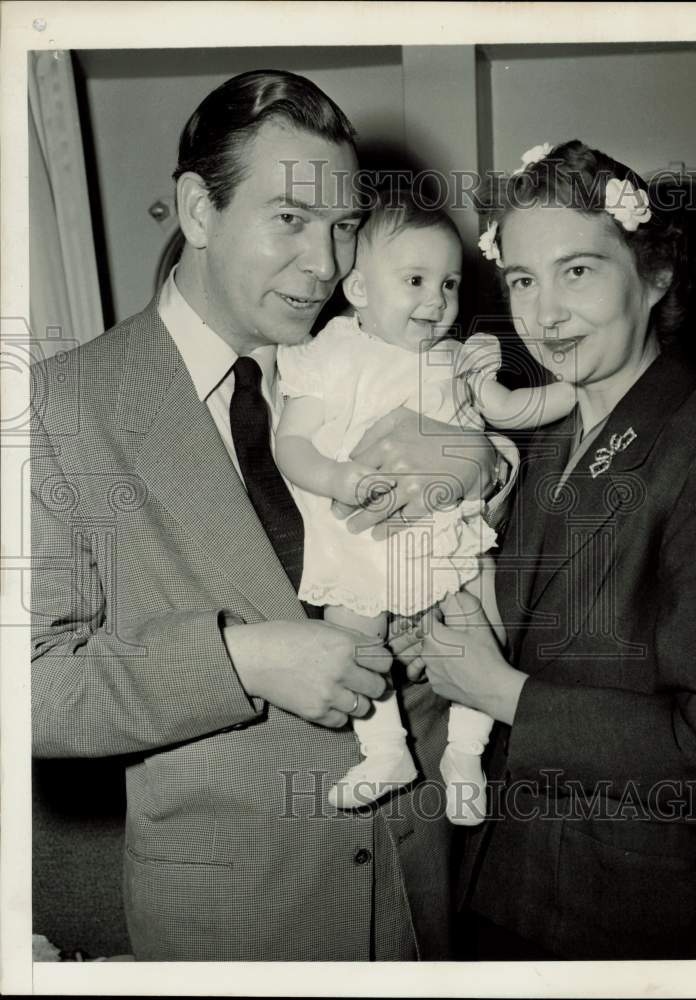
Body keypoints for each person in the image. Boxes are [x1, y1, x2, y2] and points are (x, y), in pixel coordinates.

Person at [29, 70, 508, 961]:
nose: (325, 264)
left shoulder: (367, 345)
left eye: (341, 227)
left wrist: (484, 463)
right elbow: (31, 688)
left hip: (426, 882)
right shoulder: (61, 406)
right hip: (241, 916)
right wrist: (239, 658)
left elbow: (483, 451)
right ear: (199, 212)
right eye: (290, 218)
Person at [395, 140, 696, 960]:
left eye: (578, 272)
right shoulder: (543, 434)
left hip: (621, 911)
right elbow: (529, 619)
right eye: (522, 280)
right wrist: (449, 643)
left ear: (654, 277)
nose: (544, 314)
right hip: (497, 874)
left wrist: (504, 691)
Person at [274, 193, 575, 821]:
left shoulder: (457, 357)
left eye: (449, 283)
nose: (436, 301)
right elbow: (291, 444)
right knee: (351, 633)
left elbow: (511, 415)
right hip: (366, 534)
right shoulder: (331, 352)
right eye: (414, 281)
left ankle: (466, 753)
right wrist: (339, 477)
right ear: (357, 287)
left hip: (451, 534)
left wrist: (576, 385)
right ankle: (385, 749)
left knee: (477, 628)